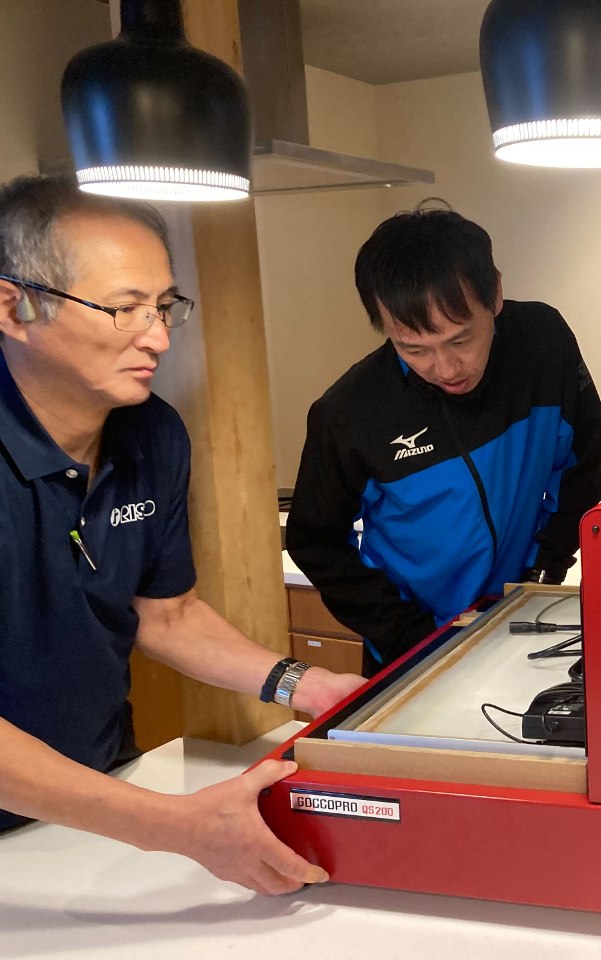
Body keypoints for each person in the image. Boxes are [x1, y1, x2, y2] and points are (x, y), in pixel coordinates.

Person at [0, 176, 365, 894]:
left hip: (98, 792)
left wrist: (305, 683)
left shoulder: (153, 432)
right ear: (15, 308)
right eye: (124, 309)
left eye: (164, 307)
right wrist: (176, 825)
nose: (159, 337)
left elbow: (166, 614)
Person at [286, 205, 601, 675]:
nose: (445, 369)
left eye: (460, 340)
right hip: (411, 650)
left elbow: (583, 461)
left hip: (518, 619)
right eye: (414, 349)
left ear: (495, 294)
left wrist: (543, 571)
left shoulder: (543, 343)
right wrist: (413, 637)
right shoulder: (350, 412)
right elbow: (316, 542)